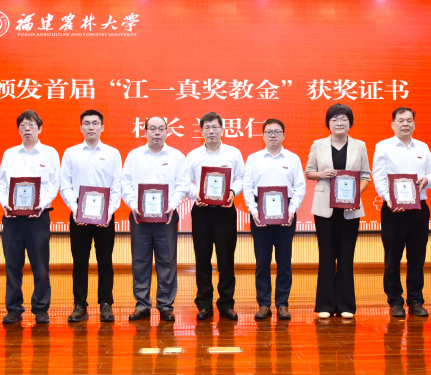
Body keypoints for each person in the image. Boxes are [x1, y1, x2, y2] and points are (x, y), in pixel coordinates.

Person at [304, 104, 371, 319]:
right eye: (334, 119)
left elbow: (365, 176)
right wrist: (321, 174)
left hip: (350, 209)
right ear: (328, 123)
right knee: (326, 255)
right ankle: (325, 304)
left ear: (350, 122)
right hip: (325, 208)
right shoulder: (318, 145)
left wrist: (355, 197)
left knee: (346, 256)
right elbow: (309, 172)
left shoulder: (360, 146)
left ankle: (345, 305)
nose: (339, 123)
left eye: (343, 119)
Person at [121, 116, 190, 321]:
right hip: (139, 216)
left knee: (167, 261)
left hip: (167, 217)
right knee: (140, 261)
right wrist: (133, 205)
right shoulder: (134, 156)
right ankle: (142, 305)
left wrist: (172, 205)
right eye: (152, 128)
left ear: (167, 132)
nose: (157, 132)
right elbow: (125, 183)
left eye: (161, 128)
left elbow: (183, 184)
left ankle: (165, 305)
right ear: (145, 132)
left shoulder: (177, 156)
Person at [0, 110, 60, 324]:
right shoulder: (10, 154)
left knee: (40, 265)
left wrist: (41, 205)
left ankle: (41, 307)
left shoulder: (50, 153)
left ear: (39, 128)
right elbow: (1, 184)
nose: (27, 128)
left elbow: (54, 184)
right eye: (23, 125)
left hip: (38, 217)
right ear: (18, 129)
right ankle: (14, 308)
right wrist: (5, 203)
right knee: (12, 264)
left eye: (31, 125)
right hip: (12, 218)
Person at [372, 107, 431, 317]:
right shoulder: (383, 146)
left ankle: (416, 300)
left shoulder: (423, 147)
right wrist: (389, 199)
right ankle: (395, 301)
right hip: (393, 210)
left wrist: (427, 179)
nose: (405, 124)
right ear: (393, 124)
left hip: (419, 209)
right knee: (393, 257)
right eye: (401, 120)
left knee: (417, 256)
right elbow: (379, 177)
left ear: (414, 124)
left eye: (409, 120)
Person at [60, 110, 122, 323]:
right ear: (81, 127)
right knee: (80, 261)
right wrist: (75, 208)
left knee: (105, 260)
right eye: (86, 123)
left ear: (102, 127)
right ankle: (79, 304)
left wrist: (109, 212)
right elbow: (65, 185)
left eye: (95, 123)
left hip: (105, 216)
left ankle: (106, 303)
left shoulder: (113, 153)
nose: (91, 127)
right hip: (79, 214)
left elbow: (117, 186)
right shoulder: (71, 153)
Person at [244, 119, 306, 320]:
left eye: (277, 131)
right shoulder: (253, 159)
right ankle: (263, 304)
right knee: (262, 261)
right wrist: (254, 211)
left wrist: (292, 210)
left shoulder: (293, 159)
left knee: (284, 262)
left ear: (284, 135)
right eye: (269, 132)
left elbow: (300, 188)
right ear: (262, 135)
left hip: (286, 214)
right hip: (259, 215)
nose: (273, 135)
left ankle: (282, 304)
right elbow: (247, 188)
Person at [186, 112, 244, 321]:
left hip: (225, 210)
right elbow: (186, 182)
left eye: (215, 127)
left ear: (222, 129)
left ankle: (226, 304)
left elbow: (240, 178)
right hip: (202, 211)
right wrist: (196, 194)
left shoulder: (233, 153)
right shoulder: (193, 155)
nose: (211, 131)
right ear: (201, 131)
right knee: (202, 258)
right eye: (207, 127)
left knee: (226, 259)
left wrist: (232, 192)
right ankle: (204, 304)